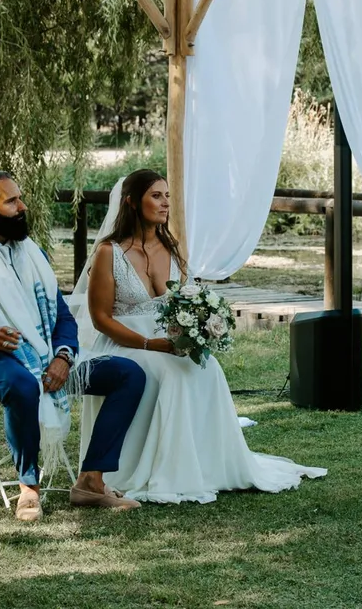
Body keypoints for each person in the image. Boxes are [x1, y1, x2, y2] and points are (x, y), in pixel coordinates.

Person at [70, 169, 326, 504]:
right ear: (132, 202)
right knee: (166, 374)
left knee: (208, 369)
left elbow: (185, 301)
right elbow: (101, 319)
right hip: (126, 343)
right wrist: (150, 343)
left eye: (167, 196)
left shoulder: (172, 248)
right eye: (156, 196)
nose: (165, 204)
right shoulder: (109, 252)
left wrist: (199, 331)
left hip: (169, 343)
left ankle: (205, 466)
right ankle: (151, 470)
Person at [0, 170, 147, 521]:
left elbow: (62, 318)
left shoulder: (34, 255)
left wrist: (63, 356)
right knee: (23, 383)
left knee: (128, 373)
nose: (22, 206)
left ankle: (91, 480)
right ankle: (29, 487)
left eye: (20, 197)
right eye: (11, 201)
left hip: (47, 356)